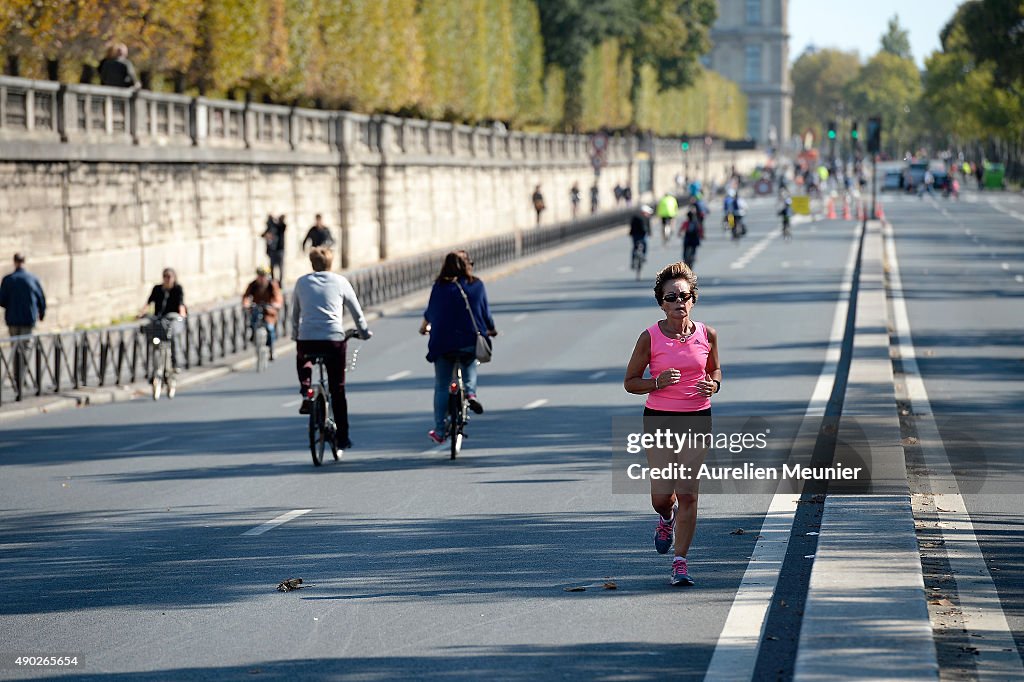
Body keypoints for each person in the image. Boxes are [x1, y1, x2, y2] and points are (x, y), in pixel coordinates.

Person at [623, 262, 721, 586]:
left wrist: (714, 385)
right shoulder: (649, 338)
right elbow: (630, 382)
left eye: (685, 295)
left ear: (693, 299)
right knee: (662, 496)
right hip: (660, 420)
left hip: (697, 418)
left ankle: (681, 561)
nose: (679, 301)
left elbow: (715, 371)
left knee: (689, 493)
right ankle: (666, 517)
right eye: (671, 296)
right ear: (661, 302)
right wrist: (657, 382)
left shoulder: (708, 334)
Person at [292, 247, 371, 451]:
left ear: (311, 264)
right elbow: (356, 312)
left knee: (303, 358)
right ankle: (343, 438)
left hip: (307, 338)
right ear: (330, 263)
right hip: (333, 340)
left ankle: (306, 391)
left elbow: (295, 313)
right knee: (338, 389)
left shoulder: (301, 282)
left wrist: (295, 335)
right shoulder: (340, 281)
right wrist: (364, 332)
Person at [419, 251, 497, 444]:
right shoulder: (476, 285)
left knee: (441, 386)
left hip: (442, 343)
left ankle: (439, 430)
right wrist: (491, 329)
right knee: (469, 361)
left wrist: (424, 327)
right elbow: (484, 312)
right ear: (468, 265)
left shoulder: (439, 287)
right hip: (470, 339)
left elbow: (431, 311)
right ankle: (470, 393)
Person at [139, 267, 187, 374]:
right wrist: (141, 313)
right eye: (165, 276)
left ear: (174, 278)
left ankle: (175, 363)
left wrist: (182, 314)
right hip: (159, 319)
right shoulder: (157, 289)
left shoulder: (177, 289)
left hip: (172, 318)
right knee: (150, 334)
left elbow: (181, 303)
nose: (167, 279)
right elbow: (149, 302)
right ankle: (152, 366)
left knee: (172, 336)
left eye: (169, 277)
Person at [242, 266, 284, 360]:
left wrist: (276, 304)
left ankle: (271, 349)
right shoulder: (253, 285)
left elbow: (278, 296)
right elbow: (246, 296)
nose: (261, 278)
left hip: (269, 310)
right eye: (259, 276)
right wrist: (246, 303)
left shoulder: (272, 284)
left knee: (270, 328)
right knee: (253, 322)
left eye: (263, 276)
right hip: (256, 307)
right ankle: (253, 336)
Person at [0, 253, 46, 339]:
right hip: (28, 318)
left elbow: (2, 300)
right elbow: (41, 298)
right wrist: (41, 314)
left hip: (12, 318)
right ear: (24, 262)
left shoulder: (7, 280)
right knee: (26, 346)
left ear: (14, 262)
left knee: (15, 347)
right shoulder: (32, 279)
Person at [262, 214, 286, 284]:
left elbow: (282, 226)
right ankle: (273, 282)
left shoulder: (280, 227)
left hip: (280, 250)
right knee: (272, 268)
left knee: (280, 268)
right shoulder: (270, 228)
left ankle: (280, 283)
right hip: (272, 251)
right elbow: (263, 235)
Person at [680, 201, 704, 268]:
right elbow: (700, 230)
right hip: (694, 238)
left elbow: (681, 229)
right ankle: (693, 257)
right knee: (694, 248)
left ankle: (685, 259)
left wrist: (679, 234)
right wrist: (701, 235)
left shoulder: (686, 223)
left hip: (687, 238)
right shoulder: (696, 223)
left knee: (685, 249)